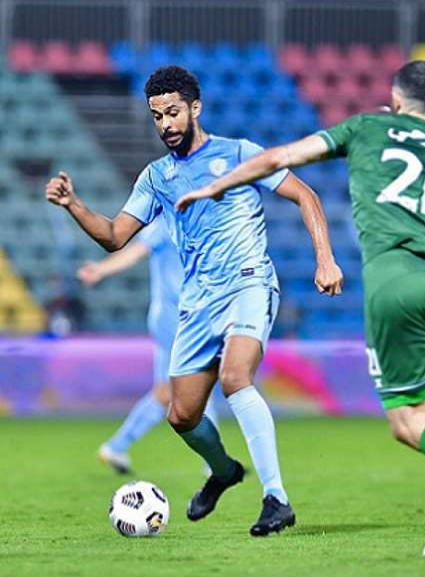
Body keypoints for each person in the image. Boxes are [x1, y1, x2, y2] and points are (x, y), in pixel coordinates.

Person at [176, 60, 425, 557]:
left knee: (405, 423)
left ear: (394, 100)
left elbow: (279, 158)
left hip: (394, 285)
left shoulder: (368, 126)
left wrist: (215, 185)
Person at [46, 65, 344, 537]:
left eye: (172, 112)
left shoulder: (240, 154)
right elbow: (114, 236)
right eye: (156, 115)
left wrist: (324, 260)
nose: (165, 123)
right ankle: (224, 471)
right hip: (197, 301)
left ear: (195, 108)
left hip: (248, 283)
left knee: (235, 378)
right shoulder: (157, 176)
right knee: (182, 414)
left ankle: (276, 498)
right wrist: (74, 205)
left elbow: (305, 196)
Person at [77, 219, 219, 474]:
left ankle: (116, 446)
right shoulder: (170, 220)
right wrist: (101, 270)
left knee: (165, 392)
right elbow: (136, 251)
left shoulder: (201, 220)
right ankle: (214, 462)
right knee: (200, 383)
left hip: (177, 318)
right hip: (177, 318)